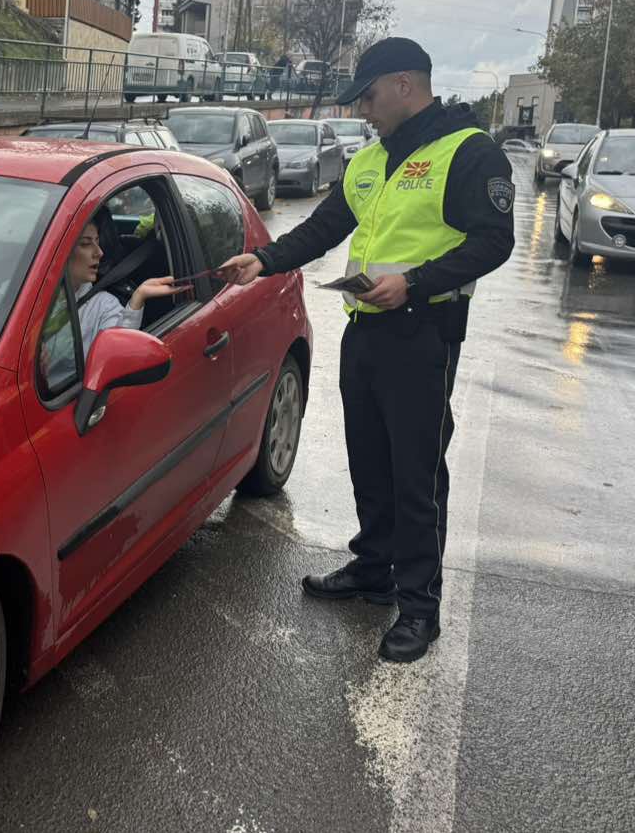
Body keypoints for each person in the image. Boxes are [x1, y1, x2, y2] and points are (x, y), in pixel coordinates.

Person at [219, 37, 514, 663]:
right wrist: (263, 259)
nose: (367, 111)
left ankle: (420, 607)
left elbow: (494, 241)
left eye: (372, 97)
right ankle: (375, 568)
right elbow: (328, 226)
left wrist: (415, 281)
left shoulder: (468, 153)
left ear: (406, 85)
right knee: (370, 459)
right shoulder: (373, 159)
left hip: (424, 332)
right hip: (367, 329)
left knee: (417, 473)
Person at [70, 219, 187, 353]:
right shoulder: (44, 295)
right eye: (85, 243)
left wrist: (137, 299)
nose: (99, 252)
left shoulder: (105, 305)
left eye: (97, 241)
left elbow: (119, 352)